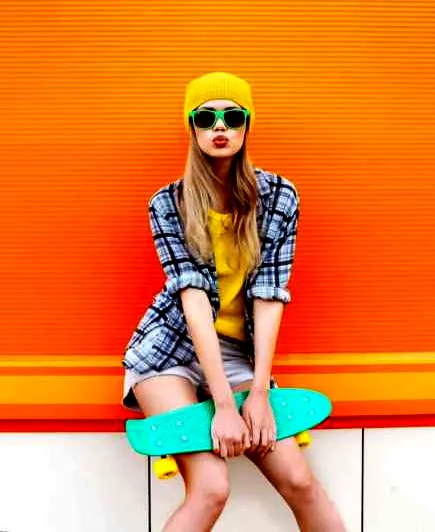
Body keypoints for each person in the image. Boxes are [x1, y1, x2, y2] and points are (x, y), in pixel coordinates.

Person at [121, 71, 346, 532]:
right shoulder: (168, 203)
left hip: (236, 353)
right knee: (211, 488)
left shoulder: (279, 198)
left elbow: (270, 295)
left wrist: (259, 393)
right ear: (193, 127)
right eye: (206, 118)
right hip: (169, 350)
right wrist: (225, 405)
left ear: (247, 124)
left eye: (232, 116)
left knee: (300, 481)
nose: (220, 127)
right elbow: (193, 301)